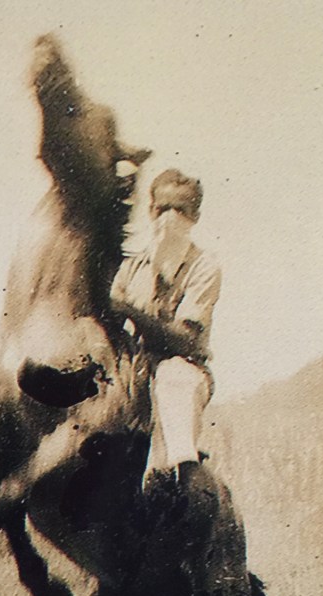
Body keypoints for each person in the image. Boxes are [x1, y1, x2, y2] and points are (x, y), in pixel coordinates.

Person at [109, 168, 221, 505]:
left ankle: (185, 472)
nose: (170, 218)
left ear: (195, 216)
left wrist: (128, 311)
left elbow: (184, 339)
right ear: (150, 211)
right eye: (162, 209)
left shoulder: (204, 266)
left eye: (181, 210)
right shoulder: (130, 268)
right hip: (133, 370)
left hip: (182, 369)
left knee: (174, 377)